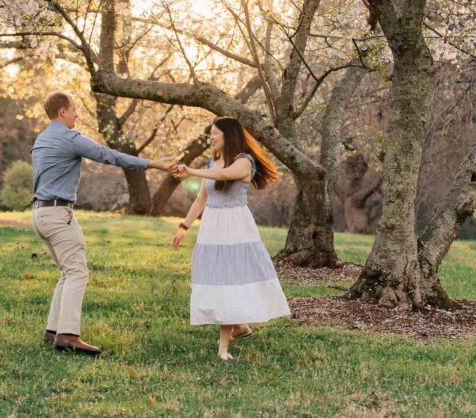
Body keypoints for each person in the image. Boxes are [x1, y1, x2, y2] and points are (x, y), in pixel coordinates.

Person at [31, 91, 174, 356]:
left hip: (41, 214)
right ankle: (69, 335)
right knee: (76, 273)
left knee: (68, 270)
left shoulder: (42, 138)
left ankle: (53, 330)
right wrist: (155, 164)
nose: (77, 114)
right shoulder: (69, 138)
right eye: (73, 109)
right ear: (62, 111)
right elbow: (108, 155)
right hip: (57, 213)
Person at [171, 117, 291, 360]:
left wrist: (189, 170)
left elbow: (223, 175)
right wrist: (184, 226)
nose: (211, 138)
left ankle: (223, 348)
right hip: (213, 226)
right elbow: (202, 197)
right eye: (210, 134)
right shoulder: (212, 161)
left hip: (235, 227)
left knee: (230, 278)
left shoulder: (244, 162)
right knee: (217, 278)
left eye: (215, 133)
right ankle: (240, 326)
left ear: (228, 135)